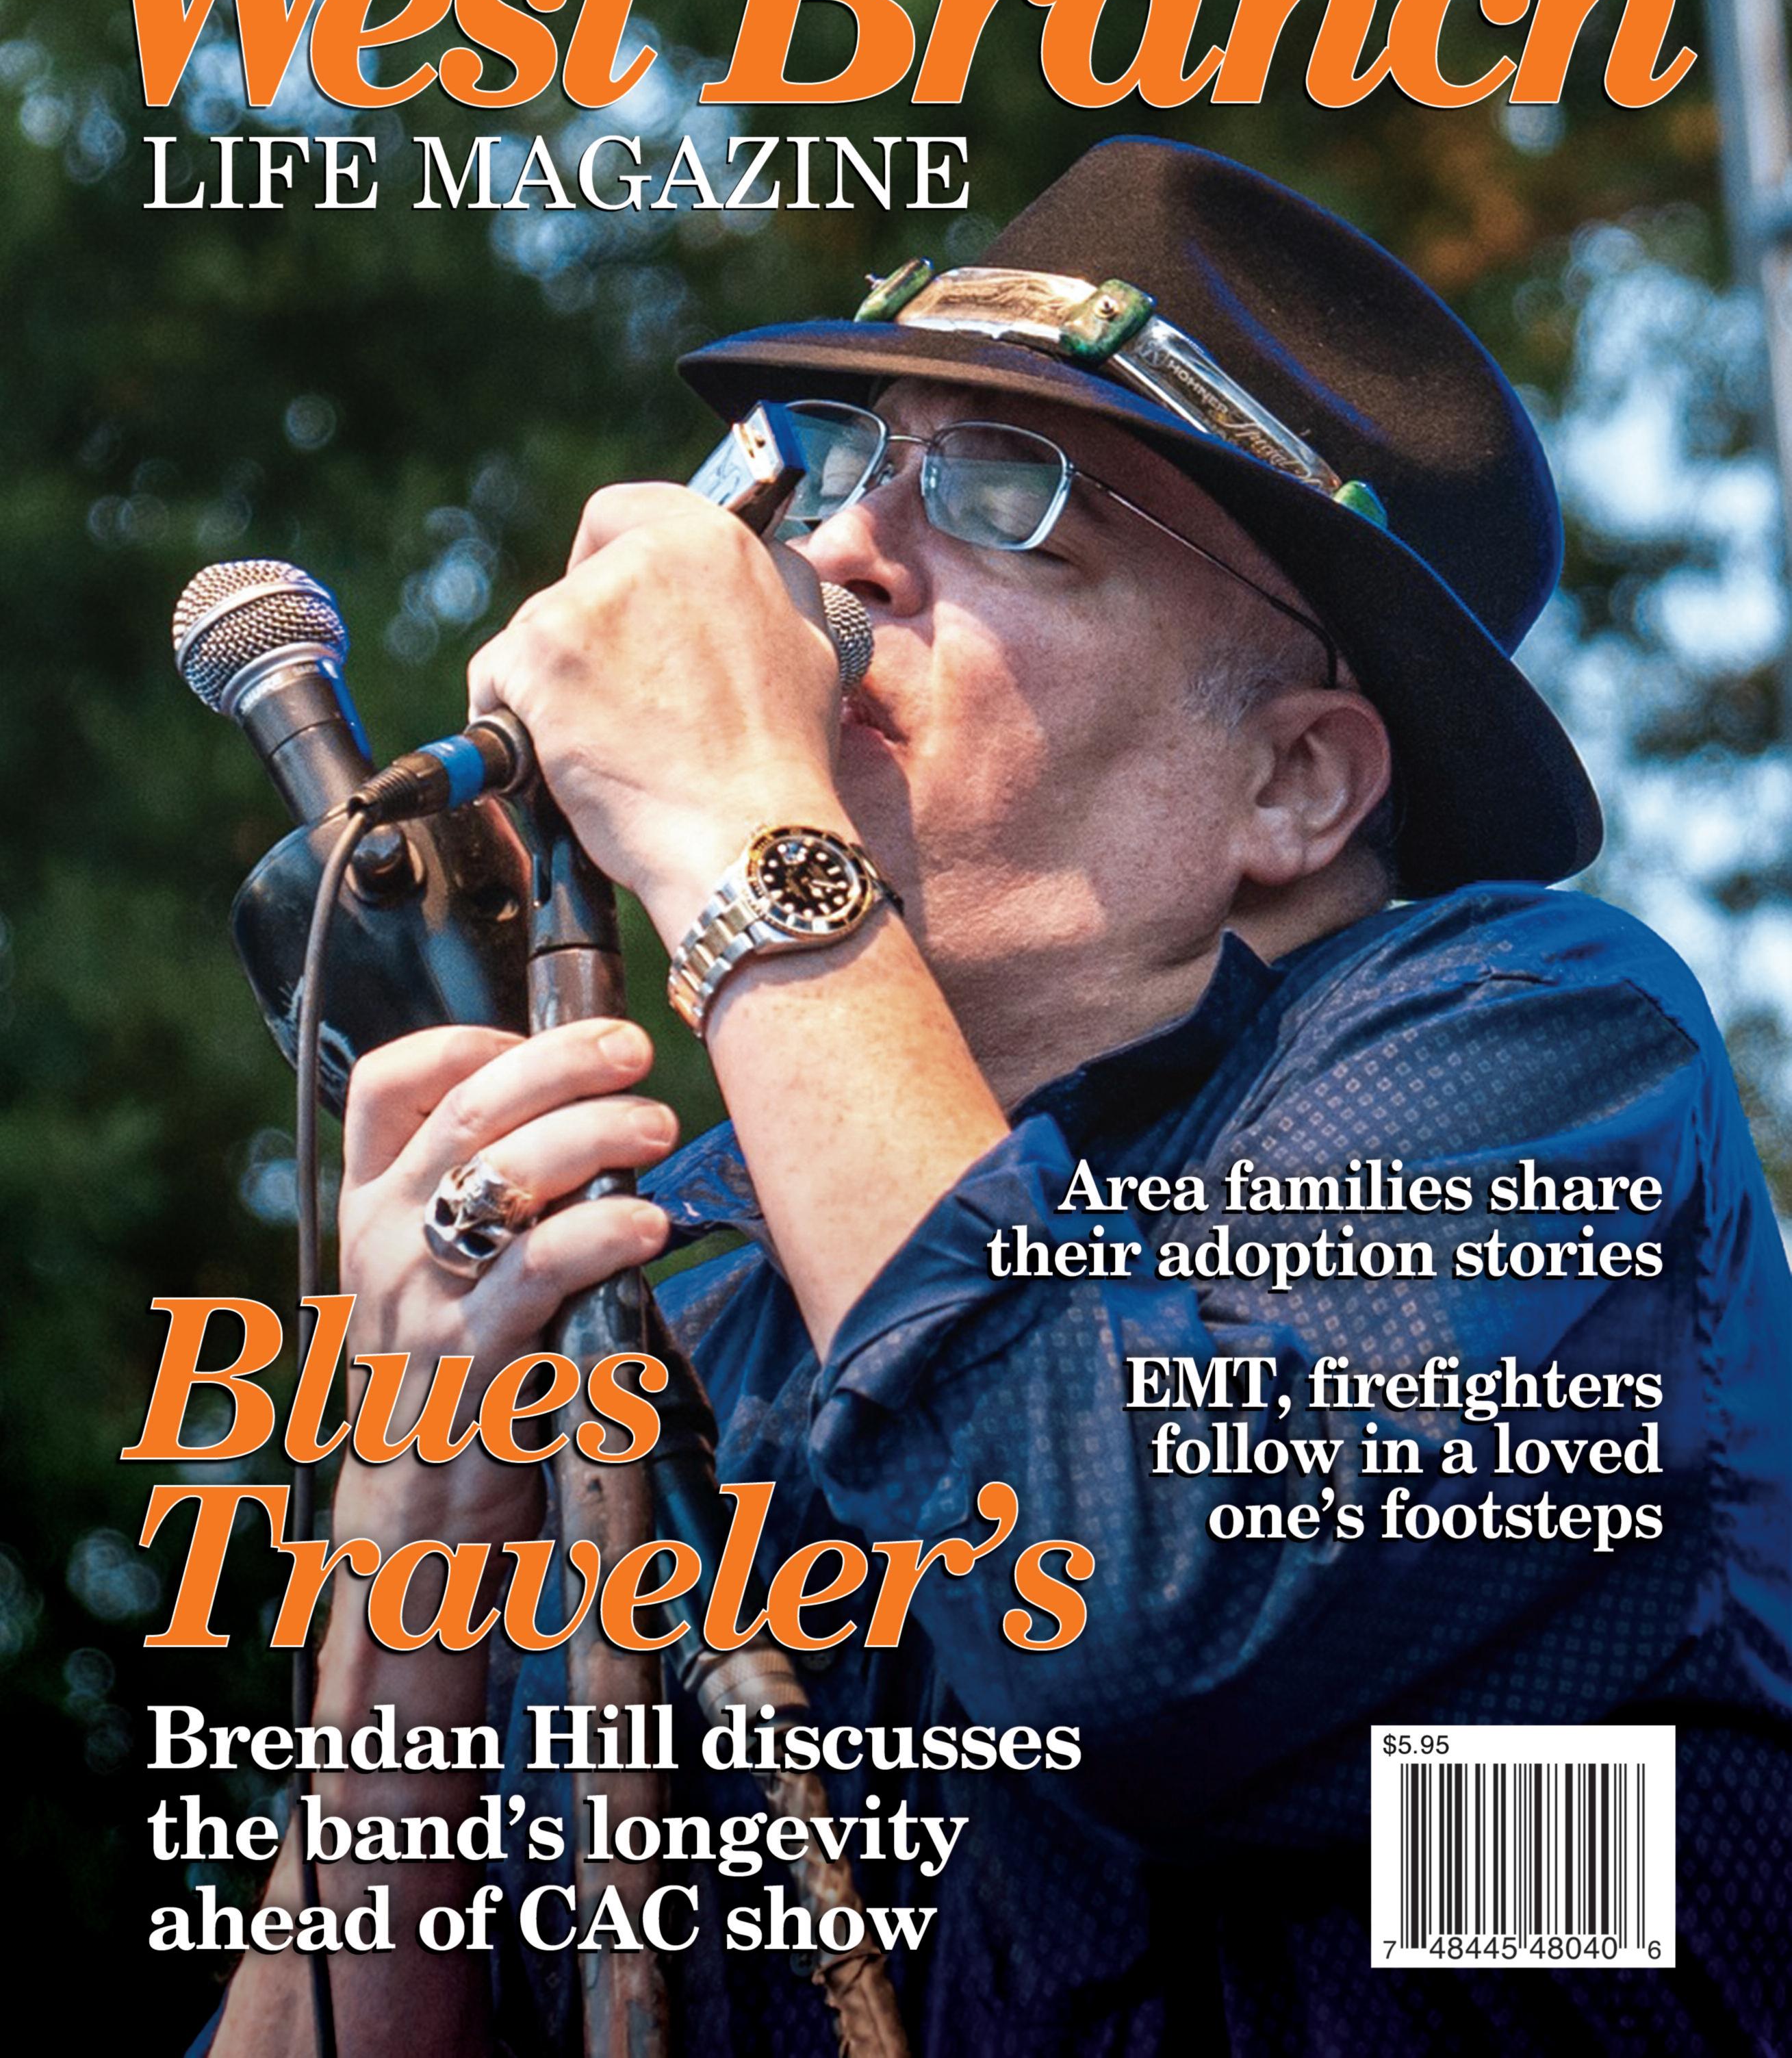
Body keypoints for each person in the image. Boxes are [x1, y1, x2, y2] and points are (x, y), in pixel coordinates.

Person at [203, 138, 1791, 2057]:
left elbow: (1145, 1608)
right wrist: (415, 1530)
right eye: (846, 465)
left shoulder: (1538, 1045)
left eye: (1008, 497)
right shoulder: (686, 1295)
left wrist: (744, 833)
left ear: (1294, 782)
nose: (839, 554)